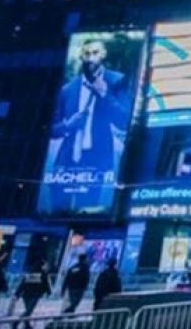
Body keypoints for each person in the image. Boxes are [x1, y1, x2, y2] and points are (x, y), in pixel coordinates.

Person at [43, 38, 132, 214]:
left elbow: (123, 121)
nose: (91, 58)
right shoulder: (68, 89)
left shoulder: (117, 81)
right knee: (56, 211)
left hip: (96, 158)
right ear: (81, 57)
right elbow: (51, 129)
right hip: (67, 160)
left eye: (95, 53)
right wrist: (68, 125)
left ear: (104, 54)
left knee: (87, 210)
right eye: (86, 54)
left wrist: (104, 93)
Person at [12, 254, 52, 329]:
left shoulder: (30, 273)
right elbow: (46, 285)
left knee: (28, 309)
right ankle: (16, 323)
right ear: (41, 266)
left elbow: (22, 284)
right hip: (35, 295)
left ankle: (27, 324)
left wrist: (17, 294)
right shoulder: (43, 275)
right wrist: (48, 292)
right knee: (28, 310)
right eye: (45, 265)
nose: (46, 267)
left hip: (26, 295)